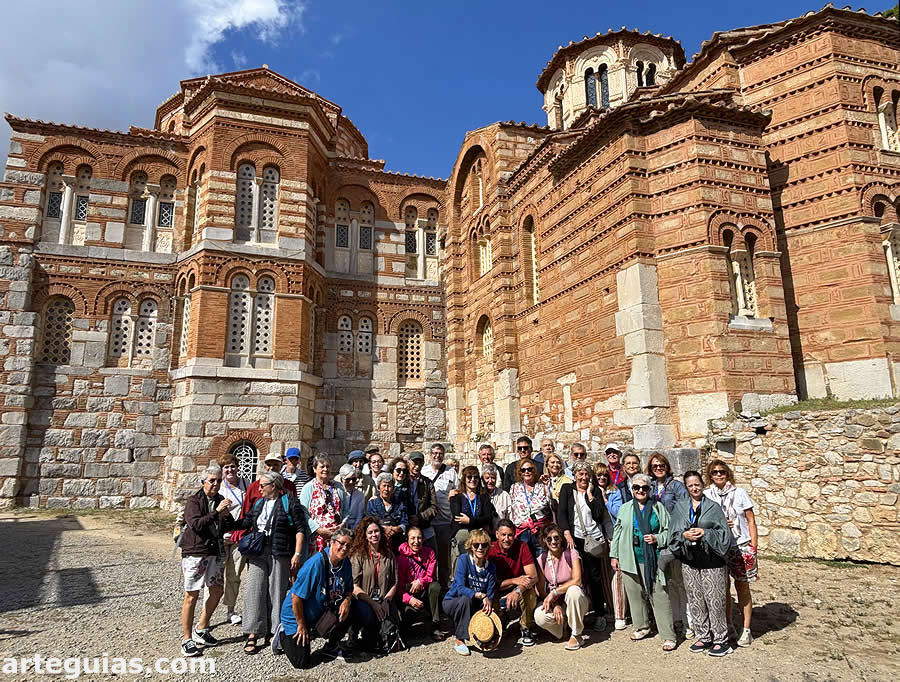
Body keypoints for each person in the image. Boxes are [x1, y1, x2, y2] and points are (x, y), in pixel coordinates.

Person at [238, 471, 306, 654]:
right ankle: (253, 632)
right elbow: (246, 522)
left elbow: (300, 529)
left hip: (280, 552)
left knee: (276, 591)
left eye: (262, 485)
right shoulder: (259, 503)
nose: (259, 489)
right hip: (259, 551)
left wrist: (297, 553)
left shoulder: (289, 502)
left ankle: (275, 631)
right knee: (254, 589)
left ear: (273, 485)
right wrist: (224, 517)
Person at [609, 473, 676, 651]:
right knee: (634, 592)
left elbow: (669, 531)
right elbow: (617, 533)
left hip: (652, 557)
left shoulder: (658, 507)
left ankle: (668, 635)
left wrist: (657, 538)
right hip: (629, 556)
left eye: (644, 488)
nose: (640, 490)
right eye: (636, 487)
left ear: (649, 489)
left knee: (659, 594)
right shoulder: (624, 509)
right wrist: (614, 555)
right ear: (631, 489)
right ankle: (642, 626)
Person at [668, 471, 733, 657]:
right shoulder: (680, 507)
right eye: (690, 485)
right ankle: (704, 636)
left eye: (697, 484)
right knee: (696, 600)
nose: (694, 488)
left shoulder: (713, 507)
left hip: (712, 561)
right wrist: (684, 535)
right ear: (686, 488)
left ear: (702, 485)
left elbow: (724, 535)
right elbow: (673, 534)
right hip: (690, 561)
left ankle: (721, 639)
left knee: (715, 600)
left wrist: (706, 533)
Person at [277, 528, 355, 667]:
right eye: (341, 543)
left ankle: (331, 646)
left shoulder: (345, 563)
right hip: (296, 616)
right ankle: (283, 635)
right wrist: (301, 624)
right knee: (301, 663)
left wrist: (347, 600)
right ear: (331, 542)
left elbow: (349, 588)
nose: (344, 548)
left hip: (321, 610)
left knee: (353, 606)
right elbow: (296, 597)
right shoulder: (315, 564)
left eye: (348, 546)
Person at [180, 464, 236, 657]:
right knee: (192, 595)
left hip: (214, 552)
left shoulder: (220, 500)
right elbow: (195, 524)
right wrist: (216, 512)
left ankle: (201, 628)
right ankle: (186, 639)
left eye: (218, 480)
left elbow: (228, 525)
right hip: (195, 552)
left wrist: (228, 517)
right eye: (212, 480)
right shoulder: (194, 501)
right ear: (203, 482)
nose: (215, 484)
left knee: (217, 590)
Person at [705, 459, 758, 648]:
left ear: (727, 474)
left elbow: (751, 520)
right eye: (715, 472)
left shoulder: (740, 493)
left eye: (722, 472)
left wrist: (754, 546)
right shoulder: (706, 495)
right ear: (710, 475)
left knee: (742, 587)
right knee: (723, 588)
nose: (718, 475)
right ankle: (728, 624)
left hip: (740, 545)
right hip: (720, 548)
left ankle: (746, 629)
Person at [557, 460, 615, 631]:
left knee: (595, 577)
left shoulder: (595, 490)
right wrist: (566, 533)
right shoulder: (567, 490)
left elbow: (598, 515)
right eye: (580, 474)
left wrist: (590, 495)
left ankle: (599, 613)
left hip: (593, 539)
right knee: (576, 576)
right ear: (574, 475)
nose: (583, 477)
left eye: (586, 474)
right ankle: (579, 613)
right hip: (574, 539)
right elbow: (562, 513)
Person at [647, 452, 689, 635]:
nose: (658, 468)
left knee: (680, 581)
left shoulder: (677, 486)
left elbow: (685, 509)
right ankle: (675, 619)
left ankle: (689, 622)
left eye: (661, 465)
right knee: (668, 582)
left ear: (667, 466)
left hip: (675, 538)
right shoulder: (650, 486)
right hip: (659, 539)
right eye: (655, 466)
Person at [533, 523, 590, 650]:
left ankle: (576, 634)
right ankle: (562, 630)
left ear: (561, 538)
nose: (553, 542)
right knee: (539, 616)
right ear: (544, 540)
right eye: (549, 539)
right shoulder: (541, 559)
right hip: (557, 602)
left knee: (573, 590)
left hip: (576, 600)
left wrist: (554, 593)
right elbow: (541, 590)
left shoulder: (571, 553)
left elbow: (577, 580)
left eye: (556, 538)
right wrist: (554, 605)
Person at [442, 528, 497, 656]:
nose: (480, 548)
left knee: (486, 608)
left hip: (474, 604)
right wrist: (480, 595)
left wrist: (487, 603)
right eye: (476, 545)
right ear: (471, 547)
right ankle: (460, 639)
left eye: (483, 545)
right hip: (453, 601)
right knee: (466, 599)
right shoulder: (463, 560)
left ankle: (479, 635)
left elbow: (490, 593)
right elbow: (460, 588)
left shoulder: (490, 568)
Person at [349, 517, 399, 648]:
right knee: (368, 616)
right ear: (365, 536)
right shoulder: (358, 556)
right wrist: (372, 604)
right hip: (365, 600)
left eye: (376, 531)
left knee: (390, 622)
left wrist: (386, 601)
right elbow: (354, 586)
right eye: (370, 532)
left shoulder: (389, 555)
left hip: (384, 599)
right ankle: (356, 634)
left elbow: (395, 582)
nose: (374, 535)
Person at [488, 519, 539, 647]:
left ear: (515, 535)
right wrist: (513, 580)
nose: (507, 539)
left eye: (510, 535)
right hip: (497, 588)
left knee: (530, 591)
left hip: (517, 588)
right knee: (488, 593)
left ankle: (525, 627)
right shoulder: (490, 550)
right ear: (497, 535)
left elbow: (533, 577)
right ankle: (500, 619)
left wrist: (517, 590)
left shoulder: (522, 546)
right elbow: (489, 583)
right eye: (503, 535)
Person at [592, 462, 628, 629]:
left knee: (617, 574)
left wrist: (605, 500)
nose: (602, 478)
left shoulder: (614, 491)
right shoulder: (591, 491)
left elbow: (618, 512)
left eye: (604, 476)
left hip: (614, 537)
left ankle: (620, 613)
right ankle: (612, 610)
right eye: (598, 476)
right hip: (601, 538)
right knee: (606, 576)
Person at [421, 443, 459, 588]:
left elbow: (457, 490)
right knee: (428, 558)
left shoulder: (451, 472)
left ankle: (443, 588)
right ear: (430, 455)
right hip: (428, 522)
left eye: (440, 453)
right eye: (435, 453)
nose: (437, 455)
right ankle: (430, 588)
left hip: (444, 521)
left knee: (444, 558)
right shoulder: (424, 471)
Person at [218, 454, 248, 626]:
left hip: (238, 537)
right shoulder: (218, 487)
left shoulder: (245, 485)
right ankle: (209, 609)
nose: (230, 470)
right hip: (222, 538)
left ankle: (230, 610)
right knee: (215, 575)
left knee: (234, 575)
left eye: (232, 466)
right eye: (226, 467)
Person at [397, 526, 442, 640]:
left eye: (419, 538)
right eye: (412, 538)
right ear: (407, 540)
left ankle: (435, 624)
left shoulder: (430, 553)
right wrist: (410, 599)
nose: (416, 541)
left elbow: (431, 576)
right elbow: (399, 587)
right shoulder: (401, 559)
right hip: (409, 594)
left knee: (435, 586)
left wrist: (420, 581)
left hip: (425, 590)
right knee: (408, 618)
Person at [299, 455, 349, 554]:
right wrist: (319, 530)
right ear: (314, 469)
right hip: (317, 538)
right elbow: (303, 513)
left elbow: (346, 510)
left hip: (336, 537)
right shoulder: (308, 487)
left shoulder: (338, 487)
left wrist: (342, 525)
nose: (325, 469)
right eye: (322, 467)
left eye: (328, 466)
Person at [449, 465, 496, 571]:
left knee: (477, 565)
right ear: (464, 479)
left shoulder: (483, 497)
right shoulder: (457, 497)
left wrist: (470, 520)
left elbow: (488, 518)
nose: (473, 480)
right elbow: (458, 518)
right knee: (460, 564)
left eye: (476, 477)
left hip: (479, 535)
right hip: (462, 534)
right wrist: (478, 521)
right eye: (469, 477)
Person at [509, 458, 552, 559]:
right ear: (520, 473)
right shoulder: (515, 488)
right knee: (525, 560)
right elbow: (513, 510)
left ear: (534, 471)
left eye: (529, 469)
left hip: (539, 530)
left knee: (542, 560)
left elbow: (548, 503)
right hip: (522, 530)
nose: (527, 472)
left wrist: (547, 486)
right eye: (523, 470)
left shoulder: (541, 486)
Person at [405, 451, 438, 553]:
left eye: (420, 463)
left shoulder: (427, 483)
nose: (417, 466)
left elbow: (434, 507)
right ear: (409, 463)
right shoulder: (403, 481)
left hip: (424, 524)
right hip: (405, 525)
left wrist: (420, 517)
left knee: (432, 552)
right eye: (414, 463)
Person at [366, 473, 408, 551]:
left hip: (397, 542)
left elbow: (405, 523)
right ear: (379, 487)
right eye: (384, 486)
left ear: (393, 488)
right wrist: (383, 529)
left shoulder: (399, 503)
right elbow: (368, 522)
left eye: (389, 486)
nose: (386, 489)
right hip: (378, 543)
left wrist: (394, 529)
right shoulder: (372, 503)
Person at [607, 452, 642, 520]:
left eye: (634, 463)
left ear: (638, 465)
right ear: (624, 466)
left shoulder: (648, 484)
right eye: (628, 463)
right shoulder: (620, 487)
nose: (631, 466)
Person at [481, 463, 511, 531]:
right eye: (487, 478)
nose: (490, 481)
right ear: (482, 479)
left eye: (493, 478)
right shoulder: (479, 495)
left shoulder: (504, 495)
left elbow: (509, 517)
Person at [339, 464, 365, 531]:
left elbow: (359, 516)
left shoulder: (360, 495)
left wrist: (353, 531)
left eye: (353, 479)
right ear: (342, 479)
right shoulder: (337, 493)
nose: (351, 482)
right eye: (348, 479)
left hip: (353, 528)